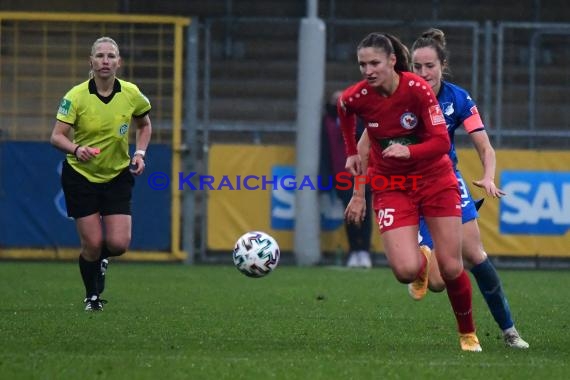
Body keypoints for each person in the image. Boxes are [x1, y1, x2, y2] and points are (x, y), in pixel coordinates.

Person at [340, 32, 481, 352]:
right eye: (362, 64)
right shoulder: (358, 96)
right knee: (405, 272)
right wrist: (353, 165)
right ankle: (420, 260)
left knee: (449, 269)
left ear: (392, 62)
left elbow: (442, 143)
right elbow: (343, 110)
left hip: (434, 179)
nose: (367, 70)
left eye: (374, 63)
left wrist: (410, 153)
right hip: (391, 186)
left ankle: (467, 333)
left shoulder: (416, 91)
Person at [410, 28, 529, 349]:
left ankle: (510, 332)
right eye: (417, 67)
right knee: (436, 281)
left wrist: (489, 177)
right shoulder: (400, 97)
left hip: (447, 183)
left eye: (429, 66)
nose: (423, 73)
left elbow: (485, 148)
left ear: (442, 65)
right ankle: (420, 263)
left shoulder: (457, 98)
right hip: (409, 189)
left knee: (476, 255)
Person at [50, 36, 152, 311]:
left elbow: (144, 125)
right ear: (91, 62)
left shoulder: (131, 93)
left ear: (118, 62)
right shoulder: (75, 96)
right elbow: (57, 137)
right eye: (100, 56)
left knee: (118, 244)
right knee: (92, 244)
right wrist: (76, 148)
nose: (105, 61)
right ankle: (92, 297)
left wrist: (140, 154)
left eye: (110, 56)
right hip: (81, 177)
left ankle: (101, 260)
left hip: (117, 175)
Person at [320, 90, 373, 268]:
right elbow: (325, 150)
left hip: (363, 173)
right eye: (335, 100)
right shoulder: (327, 121)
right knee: (349, 214)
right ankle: (354, 251)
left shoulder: (359, 119)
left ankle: (364, 251)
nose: (338, 103)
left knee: (365, 214)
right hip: (341, 174)